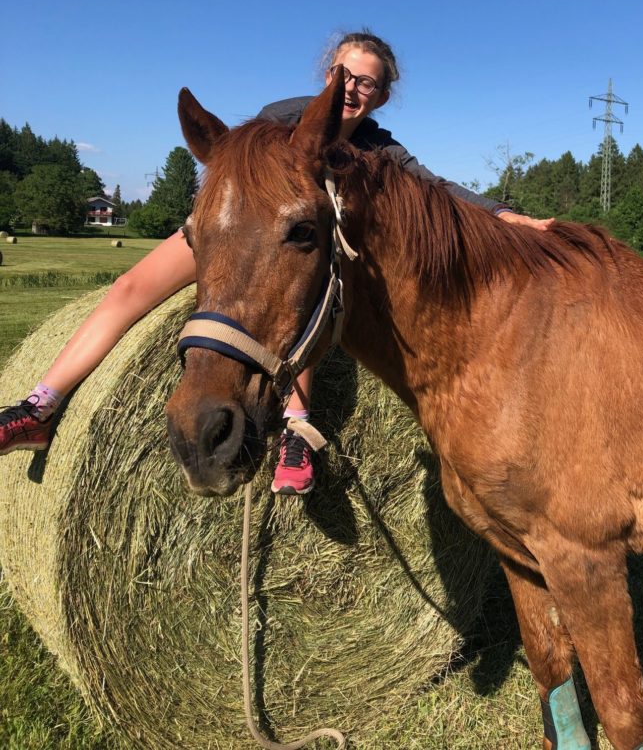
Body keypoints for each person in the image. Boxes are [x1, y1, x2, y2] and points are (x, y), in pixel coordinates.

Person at [0, 31, 553, 493]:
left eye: (366, 82)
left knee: (302, 289)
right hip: (234, 235)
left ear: (382, 95)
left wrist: (504, 215)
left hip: (295, 248)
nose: (352, 88)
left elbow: (436, 186)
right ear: (327, 74)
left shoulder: (382, 148)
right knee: (127, 287)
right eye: (344, 73)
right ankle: (41, 406)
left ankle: (297, 427)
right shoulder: (284, 116)